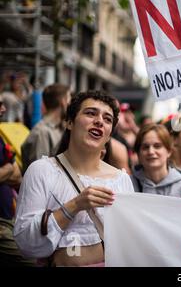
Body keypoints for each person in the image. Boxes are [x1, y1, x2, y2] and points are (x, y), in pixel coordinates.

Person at [13, 91, 134, 266]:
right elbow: (26, 244)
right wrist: (74, 205)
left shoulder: (121, 180)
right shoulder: (41, 171)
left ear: (109, 135)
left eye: (107, 119)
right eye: (91, 113)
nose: (99, 121)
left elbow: (128, 244)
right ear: (69, 122)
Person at [0, 95, 35, 266]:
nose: (4, 110)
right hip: (2, 226)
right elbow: (11, 169)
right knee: (34, 260)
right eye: (0, 105)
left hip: (10, 218)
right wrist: (7, 168)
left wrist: (7, 169)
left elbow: (16, 173)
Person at [21, 83, 71, 174]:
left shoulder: (58, 128)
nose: (71, 104)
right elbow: (39, 173)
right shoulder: (41, 132)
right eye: (69, 99)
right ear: (63, 102)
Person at [132, 123, 181, 197]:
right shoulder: (128, 184)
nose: (151, 152)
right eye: (145, 147)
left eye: (157, 146)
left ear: (169, 151)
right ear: (138, 153)